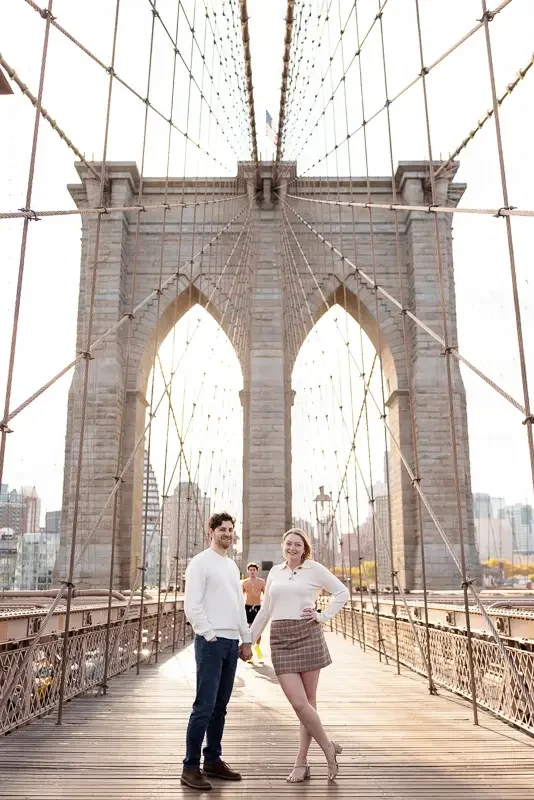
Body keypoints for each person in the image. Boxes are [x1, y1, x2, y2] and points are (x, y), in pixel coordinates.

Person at [248, 528, 349, 784]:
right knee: (299, 703)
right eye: (289, 544)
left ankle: (301, 763)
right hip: (281, 640)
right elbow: (266, 609)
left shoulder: (314, 569)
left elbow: (342, 593)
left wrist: (323, 616)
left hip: (308, 634)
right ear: (283, 546)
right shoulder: (274, 572)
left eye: (298, 545)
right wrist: (248, 639)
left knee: (308, 704)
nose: (293, 548)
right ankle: (328, 746)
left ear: (304, 549)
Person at [181, 512, 252, 791]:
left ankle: (212, 759)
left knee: (220, 707)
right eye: (222, 529)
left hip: (231, 643)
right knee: (204, 707)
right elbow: (192, 604)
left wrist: (245, 639)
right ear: (211, 531)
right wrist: (209, 635)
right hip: (211, 643)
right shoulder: (200, 563)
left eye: (231, 529)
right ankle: (190, 766)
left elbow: (238, 605)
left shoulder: (232, 566)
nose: (227, 534)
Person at [242, 562, 265, 661]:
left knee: (258, 630)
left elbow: (266, 595)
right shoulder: (244, 582)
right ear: (248, 571)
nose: (252, 571)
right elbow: (240, 596)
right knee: (249, 630)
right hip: (248, 608)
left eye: (254, 570)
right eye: (250, 570)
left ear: (257, 571)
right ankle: (249, 652)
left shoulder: (261, 582)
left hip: (258, 607)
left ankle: (257, 646)